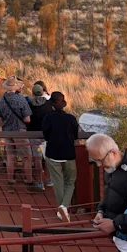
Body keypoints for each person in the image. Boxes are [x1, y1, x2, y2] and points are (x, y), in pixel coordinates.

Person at [42, 91, 79, 222]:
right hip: (69, 154)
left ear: (52, 104)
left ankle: (62, 208)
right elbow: (75, 135)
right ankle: (64, 206)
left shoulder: (47, 118)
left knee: (58, 182)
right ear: (63, 104)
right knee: (70, 182)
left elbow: (46, 136)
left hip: (53, 154)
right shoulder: (71, 118)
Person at [0, 76, 36, 191]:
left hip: (7, 131)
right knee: (26, 156)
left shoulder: (1, 100)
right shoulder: (21, 99)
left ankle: (10, 180)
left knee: (10, 156)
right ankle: (29, 180)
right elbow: (27, 119)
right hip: (20, 131)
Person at [27, 83, 54, 190]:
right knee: (47, 157)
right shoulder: (48, 105)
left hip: (33, 133)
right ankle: (49, 179)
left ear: (33, 92)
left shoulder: (29, 104)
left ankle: (39, 181)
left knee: (37, 158)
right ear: (43, 92)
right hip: (46, 134)